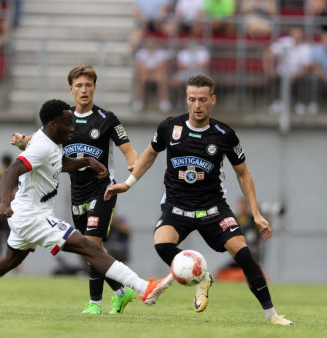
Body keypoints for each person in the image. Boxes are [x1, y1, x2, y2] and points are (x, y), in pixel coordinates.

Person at [0, 99, 172, 316]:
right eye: (68, 123)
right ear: (53, 124)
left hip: (28, 215)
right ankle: (144, 289)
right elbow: (12, 170)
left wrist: (86, 161)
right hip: (33, 216)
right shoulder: (40, 147)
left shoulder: (52, 143)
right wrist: (4, 202)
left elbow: (62, 163)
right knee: (90, 247)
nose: (73, 128)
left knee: (9, 260)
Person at [104, 74, 295, 326]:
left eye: (202, 100)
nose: (197, 105)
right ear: (187, 99)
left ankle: (272, 316)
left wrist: (256, 214)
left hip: (213, 208)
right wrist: (127, 185)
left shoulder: (224, 134)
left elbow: (243, 174)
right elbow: (150, 154)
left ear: (212, 100)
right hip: (176, 205)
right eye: (192, 99)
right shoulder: (169, 127)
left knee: (245, 255)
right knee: (162, 245)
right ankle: (203, 276)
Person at [10, 65, 139, 315]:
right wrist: (21, 141)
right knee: (89, 248)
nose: (84, 90)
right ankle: (122, 291)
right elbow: (36, 141)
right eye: (78, 85)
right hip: (76, 191)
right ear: (70, 89)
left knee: (90, 243)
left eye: (88, 85)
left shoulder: (106, 119)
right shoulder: (62, 117)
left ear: (94, 88)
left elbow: (128, 148)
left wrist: (132, 162)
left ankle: (95, 303)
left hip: (103, 190)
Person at [262, 26, 312, 115]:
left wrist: (295, 75)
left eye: (298, 33)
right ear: (291, 34)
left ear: (302, 35)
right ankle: (276, 103)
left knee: (305, 78)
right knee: (273, 78)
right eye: (295, 33)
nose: (296, 35)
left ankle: (301, 104)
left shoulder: (306, 47)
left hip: (297, 75)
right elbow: (269, 52)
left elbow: (305, 66)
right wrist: (269, 68)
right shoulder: (284, 42)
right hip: (282, 74)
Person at [132, 36, 172, 113]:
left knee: (162, 78)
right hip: (145, 74)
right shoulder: (141, 53)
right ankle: (139, 101)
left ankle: (164, 101)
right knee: (141, 78)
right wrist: (150, 71)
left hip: (157, 74)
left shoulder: (161, 53)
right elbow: (139, 67)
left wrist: (152, 71)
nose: (151, 47)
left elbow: (164, 67)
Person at [310, 30, 327, 114]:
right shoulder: (317, 49)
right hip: (321, 76)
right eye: (325, 40)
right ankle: (313, 103)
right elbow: (315, 65)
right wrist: (324, 76)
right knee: (313, 78)